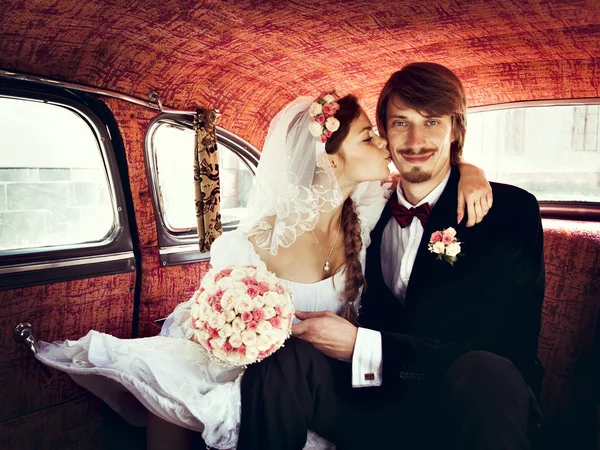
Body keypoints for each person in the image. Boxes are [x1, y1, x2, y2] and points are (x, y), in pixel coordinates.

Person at [35, 89, 491, 450]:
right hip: (263, 374)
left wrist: (468, 168)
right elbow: (213, 326)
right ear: (331, 159)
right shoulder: (253, 243)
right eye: (370, 136)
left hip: (341, 378)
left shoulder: (369, 209)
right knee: (173, 385)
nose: (387, 144)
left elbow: (428, 177)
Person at [237, 63, 545, 450]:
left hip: (470, 405)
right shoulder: (369, 208)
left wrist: (362, 347)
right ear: (384, 134)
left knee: (488, 371)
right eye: (401, 123)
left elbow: (506, 352)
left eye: (432, 122)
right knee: (283, 358)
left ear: (456, 130)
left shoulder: (509, 212)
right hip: (375, 407)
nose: (415, 140)